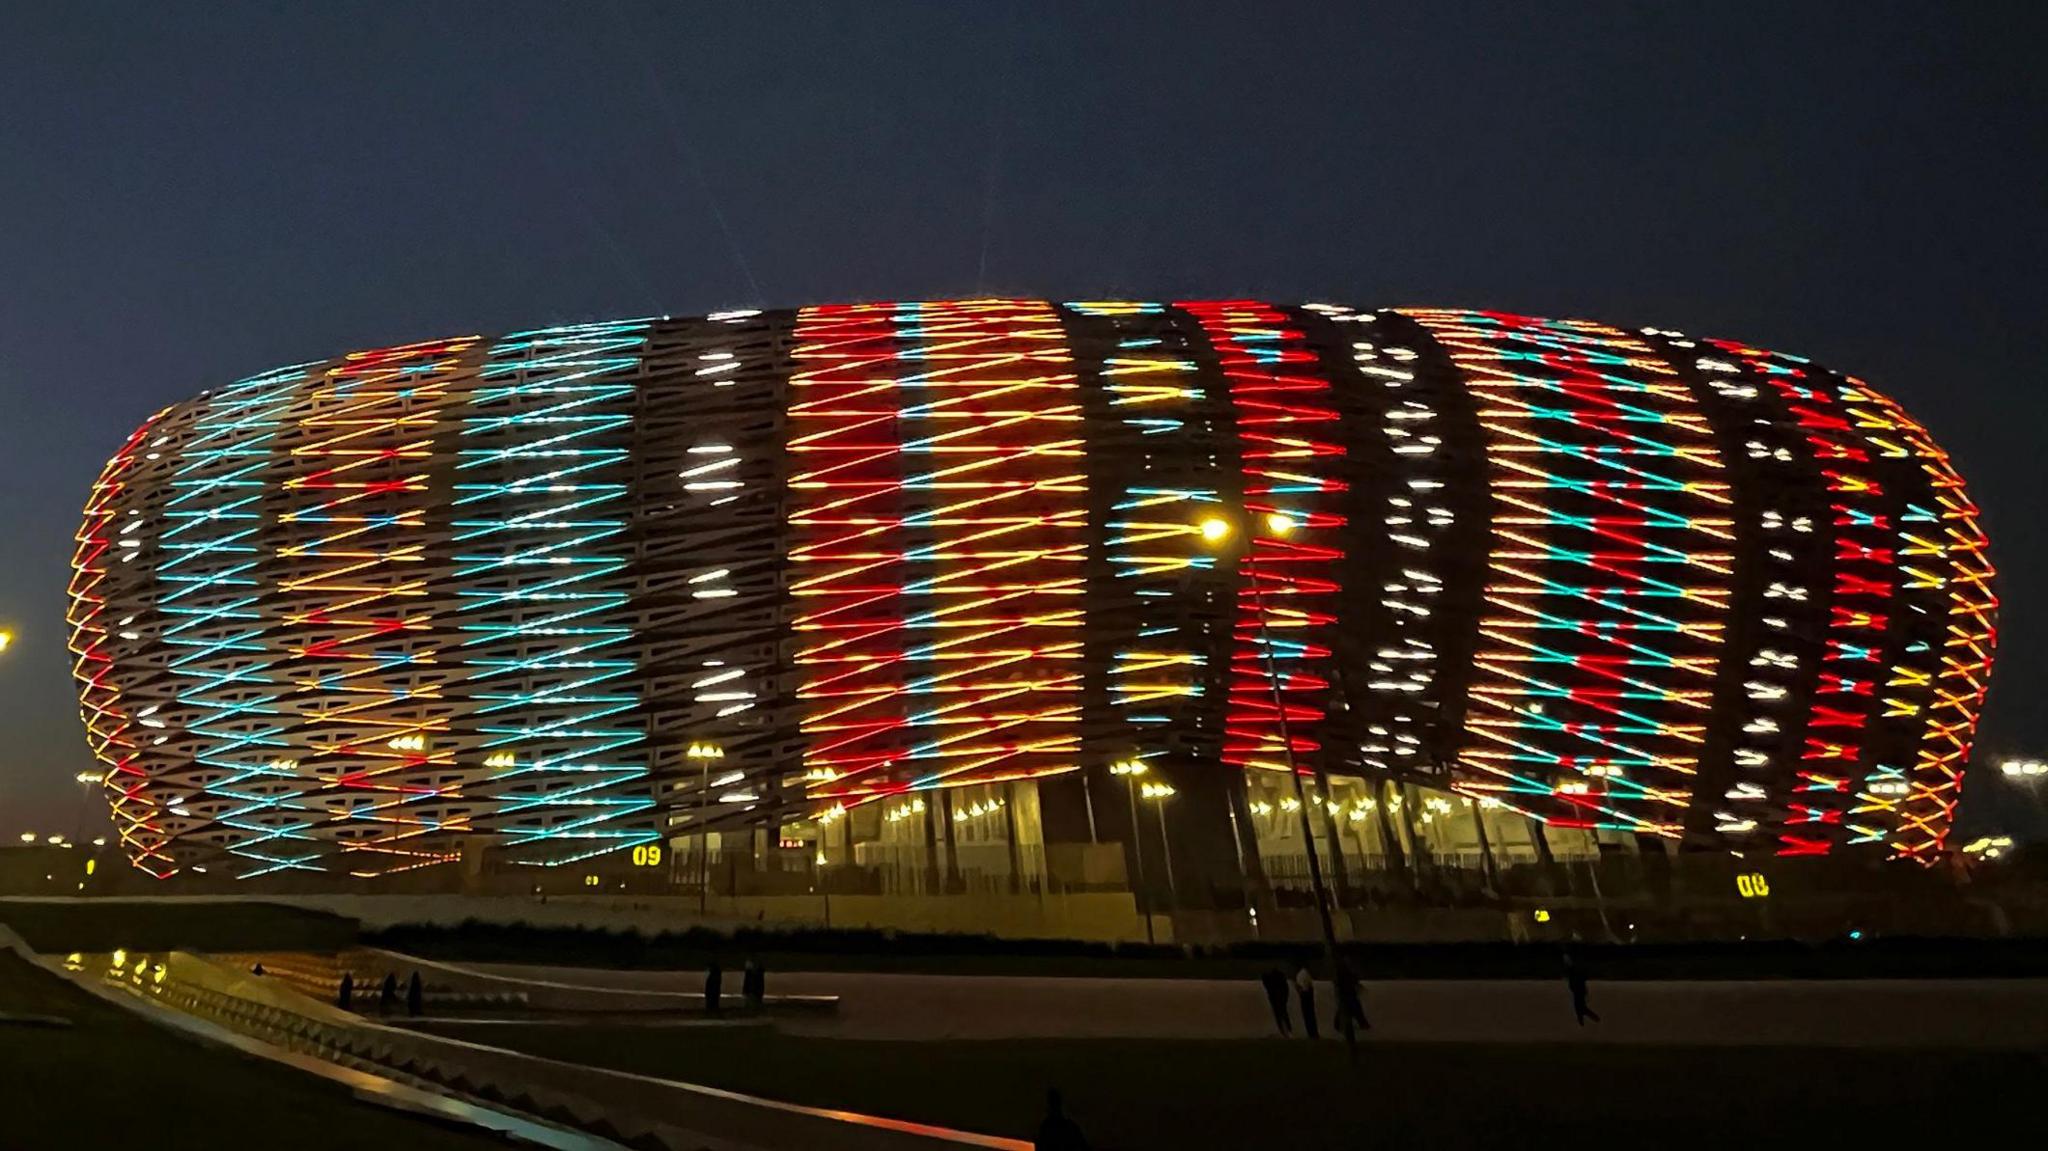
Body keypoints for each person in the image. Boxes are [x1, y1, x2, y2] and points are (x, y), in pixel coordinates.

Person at [1333, 960, 1369, 1039]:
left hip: (1346, 994)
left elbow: (1337, 984)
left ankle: (1338, 1025)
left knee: (1346, 1010)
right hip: (1349, 994)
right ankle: (1362, 1024)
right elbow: (1353, 980)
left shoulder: (1342, 972)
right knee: (1353, 1009)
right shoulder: (1346, 973)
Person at [1565, 948, 1599, 1025]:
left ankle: (1586, 1019)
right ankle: (1585, 1020)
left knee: (1579, 1006)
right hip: (1578, 988)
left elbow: (1577, 978)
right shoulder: (1575, 969)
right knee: (1580, 1006)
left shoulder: (1574, 970)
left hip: (1578, 988)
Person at [1259, 967, 1292, 1036]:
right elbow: (1285, 990)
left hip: (1276, 997)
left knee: (1279, 1015)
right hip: (1280, 996)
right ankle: (1288, 1030)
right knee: (1283, 1013)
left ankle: (1284, 1031)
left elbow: (1269, 991)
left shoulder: (1269, 981)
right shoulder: (1280, 980)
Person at [1293, 962, 1319, 1040]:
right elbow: (1310, 984)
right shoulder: (1306, 973)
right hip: (1308, 994)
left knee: (1306, 1015)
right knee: (1311, 1014)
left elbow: (1298, 986)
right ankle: (1314, 1033)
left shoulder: (1299, 974)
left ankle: (1311, 1033)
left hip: (1304, 994)